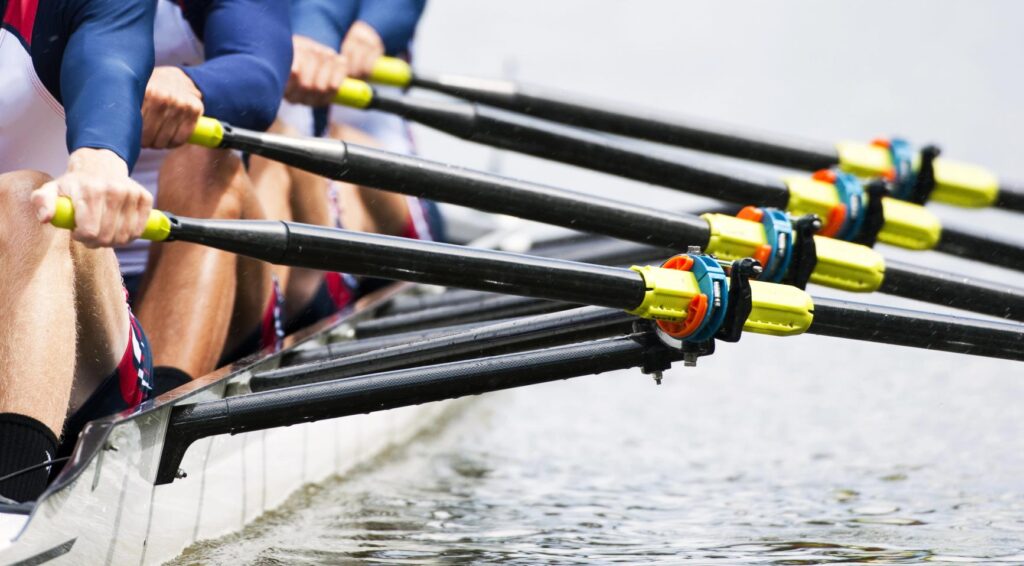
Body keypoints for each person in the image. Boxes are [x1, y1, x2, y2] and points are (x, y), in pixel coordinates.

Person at [0, 0, 156, 502]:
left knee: (28, 200)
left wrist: (99, 160)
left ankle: (12, 495)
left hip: (82, 353)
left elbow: (110, 65)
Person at [120, 0, 293, 383]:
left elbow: (260, 78)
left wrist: (190, 83)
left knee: (203, 160)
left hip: (187, 256)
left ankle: (165, 396)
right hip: (70, 258)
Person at [251, 0, 441, 331]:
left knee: (303, 143)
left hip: (390, 192)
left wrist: (367, 36)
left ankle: (296, 295)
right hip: (292, 172)